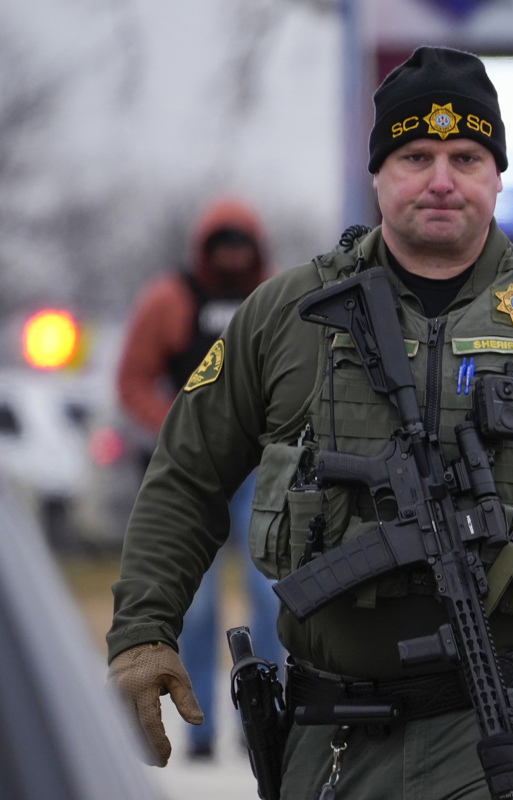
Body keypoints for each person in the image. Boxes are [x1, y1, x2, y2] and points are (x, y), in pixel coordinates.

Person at [106, 46, 513, 798]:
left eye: (467, 155)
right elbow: (187, 478)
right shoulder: (283, 316)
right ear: (378, 173)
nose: (442, 180)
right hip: (331, 736)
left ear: (497, 173)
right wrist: (142, 630)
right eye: (416, 155)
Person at [114, 196, 283, 759]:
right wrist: (183, 435)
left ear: (256, 251)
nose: (233, 259)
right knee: (201, 605)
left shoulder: (272, 297)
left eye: (243, 247)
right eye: (223, 247)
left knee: (272, 594)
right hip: (195, 475)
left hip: (258, 472)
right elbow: (134, 380)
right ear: (205, 251)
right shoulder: (171, 298)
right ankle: (202, 730)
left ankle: (269, 717)